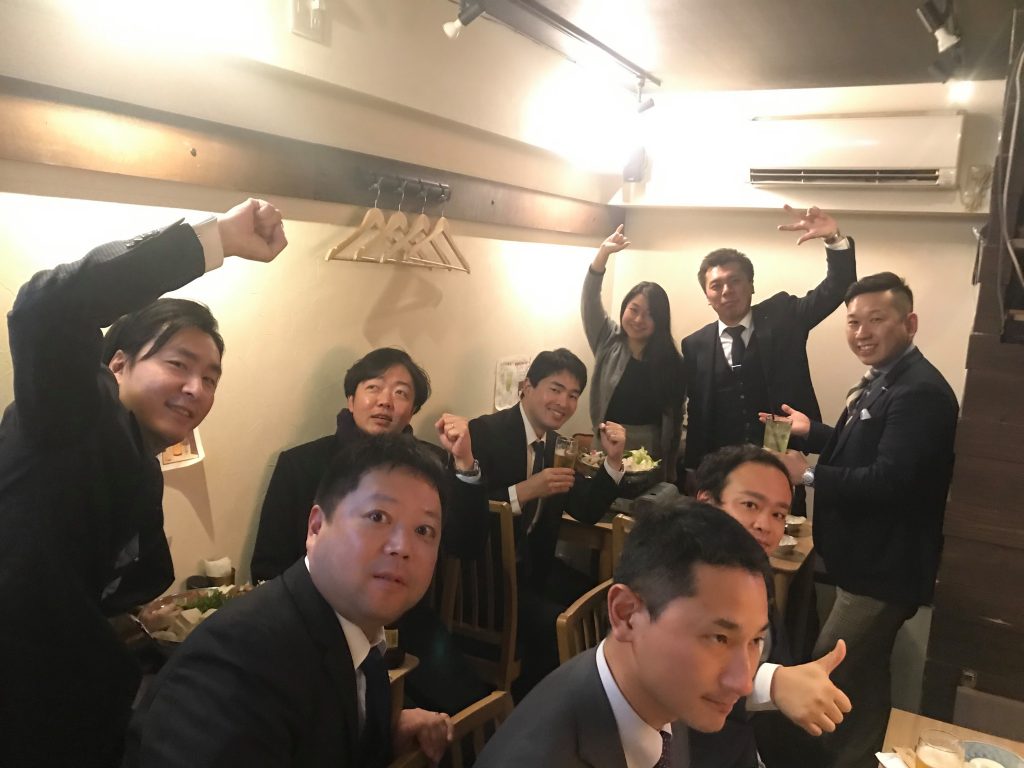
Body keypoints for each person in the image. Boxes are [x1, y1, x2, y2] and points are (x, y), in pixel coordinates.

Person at [0, 199, 286, 767]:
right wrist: (217, 240)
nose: (196, 389)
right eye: (178, 364)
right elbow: (46, 308)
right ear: (117, 365)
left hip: (70, 708)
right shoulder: (77, 414)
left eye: (210, 378)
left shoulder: (141, 462)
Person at [127, 434, 455, 767]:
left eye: (424, 530)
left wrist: (383, 737)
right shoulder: (237, 665)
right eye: (378, 517)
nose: (402, 547)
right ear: (316, 527)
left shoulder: (361, 640)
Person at [769, 272, 958, 768]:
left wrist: (807, 474)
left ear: (909, 323)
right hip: (865, 564)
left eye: (876, 320)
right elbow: (866, 447)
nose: (862, 332)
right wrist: (813, 432)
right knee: (864, 677)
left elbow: (890, 480)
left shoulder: (920, 391)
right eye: (853, 322)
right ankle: (866, 758)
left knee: (828, 671)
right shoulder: (889, 379)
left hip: (882, 570)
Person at [250, 346, 490, 714]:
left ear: (413, 410)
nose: (385, 401)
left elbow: (467, 544)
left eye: (401, 393)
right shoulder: (301, 465)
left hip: (407, 627)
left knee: (466, 711)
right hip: (320, 629)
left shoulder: (431, 465)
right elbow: (268, 566)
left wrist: (464, 463)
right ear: (351, 399)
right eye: (373, 388)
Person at [474, 500, 772, 767]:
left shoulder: (662, 697)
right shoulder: (539, 756)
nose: (744, 683)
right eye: (719, 638)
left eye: (756, 640)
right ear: (626, 615)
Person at [466, 348, 626, 696]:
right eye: (555, 389)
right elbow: (467, 510)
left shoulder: (558, 445)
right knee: (561, 624)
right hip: (488, 579)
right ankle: (537, 705)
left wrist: (613, 462)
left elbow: (586, 509)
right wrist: (523, 491)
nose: (564, 403)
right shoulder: (486, 431)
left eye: (573, 395)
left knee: (607, 601)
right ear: (527, 387)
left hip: (534, 571)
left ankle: (593, 699)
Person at [692, 445, 851, 768]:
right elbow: (680, 674)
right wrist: (774, 683)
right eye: (750, 505)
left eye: (778, 514)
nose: (765, 525)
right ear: (706, 504)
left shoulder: (754, 569)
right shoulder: (678, 576)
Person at [680, 205, 857, 489]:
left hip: (779, 453)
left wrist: (833, 239)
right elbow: (698, 411)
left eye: (735, 281)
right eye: (716, 285)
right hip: (722, 466)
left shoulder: (783, 316)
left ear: (751, 285)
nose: (727, 291)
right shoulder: (695, 344)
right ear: (707, 296)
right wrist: (692, 468)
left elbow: (836, 288)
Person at [582, 224, 686, 479]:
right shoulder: (608, 340)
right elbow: (590, 301)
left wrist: (670, 469)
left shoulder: (673, 361)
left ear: (660, 320)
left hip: (650, 451)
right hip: (606, 443)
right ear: (624, 308)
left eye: (649, 314)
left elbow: (676, 419)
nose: (639, 319)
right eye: (634, 309)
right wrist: (602, 255)